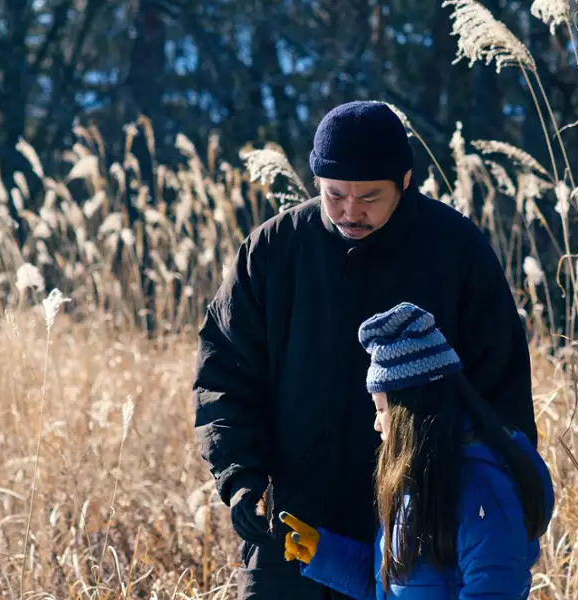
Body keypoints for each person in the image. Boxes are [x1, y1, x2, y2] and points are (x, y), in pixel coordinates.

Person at [193, 100, 537, 599]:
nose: (351, 211)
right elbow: (224, 374)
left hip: (417, 531)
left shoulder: (456, 251)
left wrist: (488, 501)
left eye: (370, 197)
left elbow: (499, 391)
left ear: (405, 180)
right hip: (293, 528)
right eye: (335, 195)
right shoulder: (273, 251)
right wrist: (240, 476)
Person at [280, 302, 554, 599]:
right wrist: (324, 555)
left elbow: (495, 589)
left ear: (408, 412)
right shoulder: (420, 480)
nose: (376, 424)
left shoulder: (481, 485)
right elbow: (394, 587)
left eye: (381, 408)